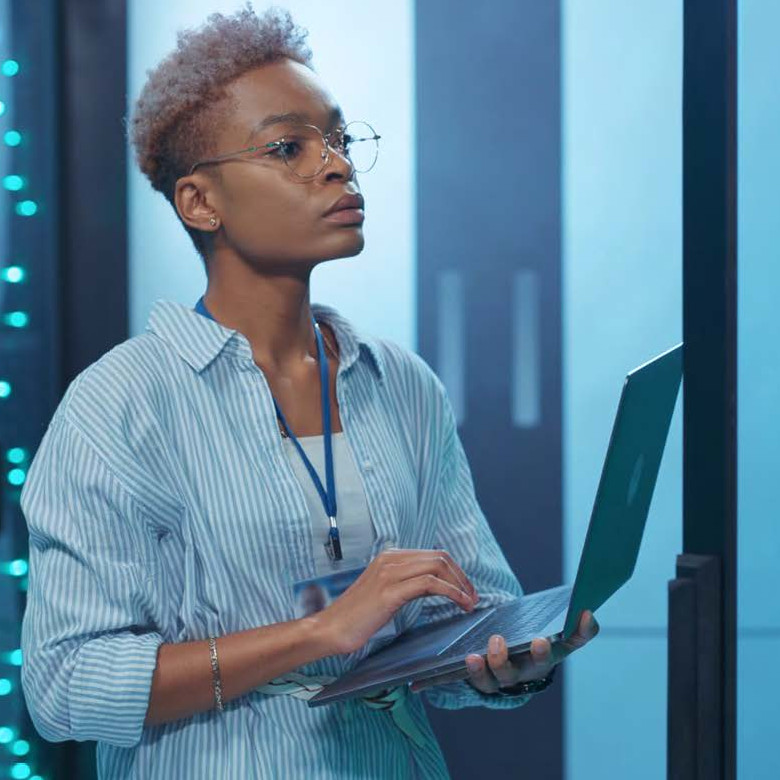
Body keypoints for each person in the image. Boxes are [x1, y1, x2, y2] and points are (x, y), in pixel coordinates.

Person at [19, 4, 599, 778]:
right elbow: (64, 687)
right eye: (288, 147)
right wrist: (319, 634)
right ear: (200, 203)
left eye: (340, 140)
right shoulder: (120, 406)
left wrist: (504, 666)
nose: (336, 165)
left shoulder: (402, 385)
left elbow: (469, 614)